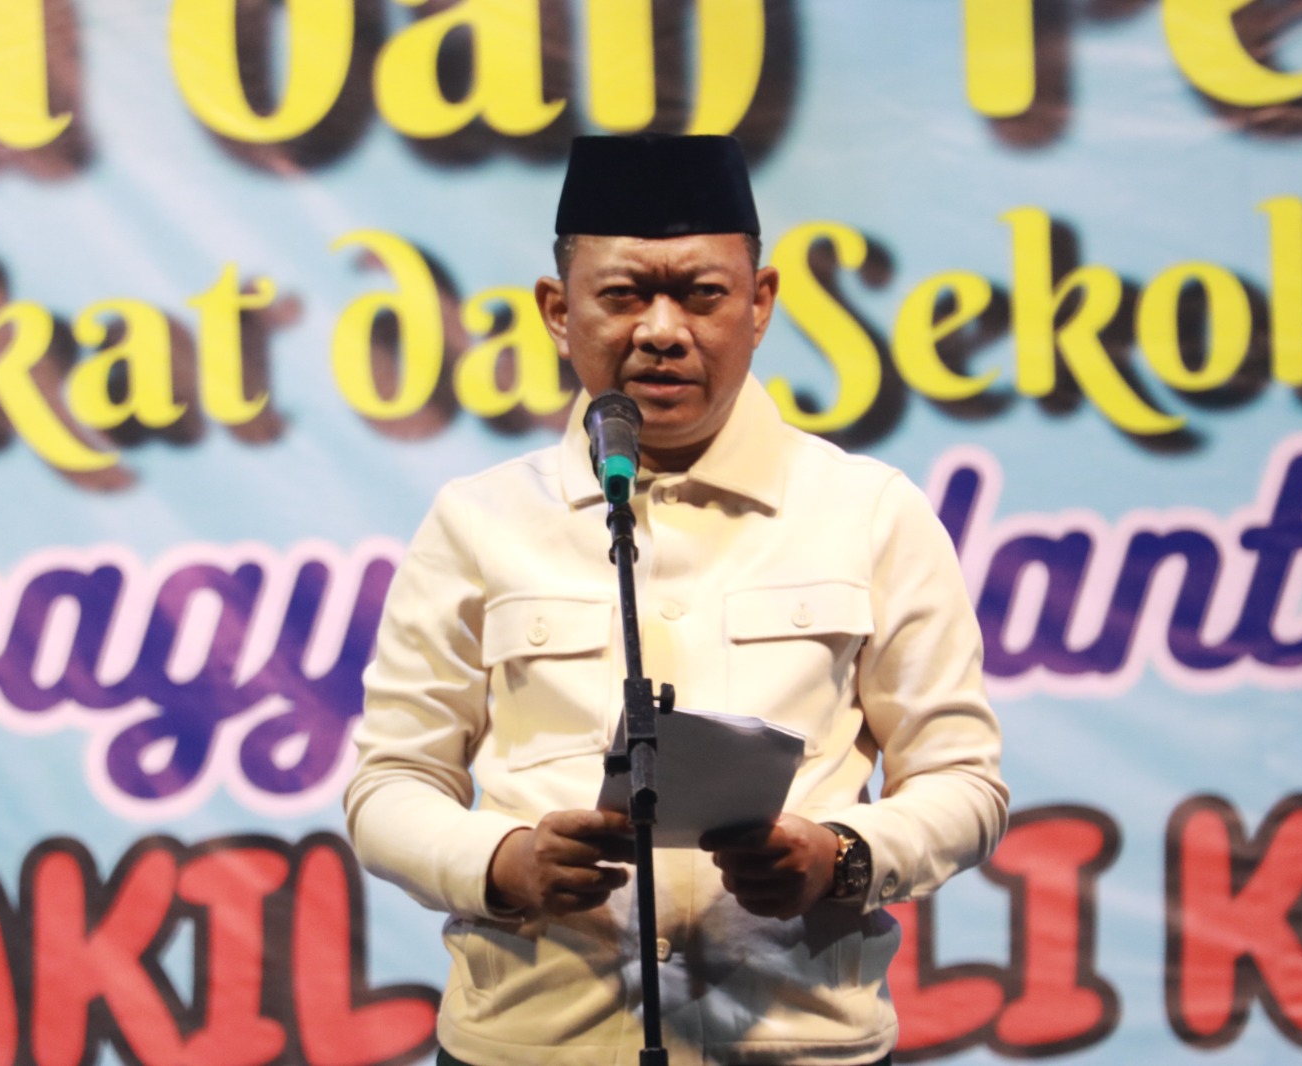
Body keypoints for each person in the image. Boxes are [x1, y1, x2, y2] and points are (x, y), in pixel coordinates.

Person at [344, 135, 1007, 1066]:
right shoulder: (478, 520)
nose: (662, 330)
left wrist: (840, 855)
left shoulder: (870, 512)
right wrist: (505, 863)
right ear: (558, 310)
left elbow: (965, 781)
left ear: (760, 302)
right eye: (622, 296)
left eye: (702, 294)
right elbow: (390, 784)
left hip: (797, 1045)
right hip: (532, 1044)